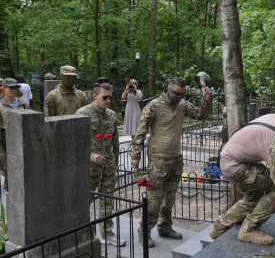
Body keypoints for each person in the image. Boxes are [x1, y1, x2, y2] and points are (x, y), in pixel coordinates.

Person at [208, 115, 275, 245]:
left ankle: (218, 228)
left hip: (229, 159)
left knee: (253, 199)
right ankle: (249, 230)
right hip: (235, 166)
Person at [130, 77, 211, 248]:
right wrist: (135, 154)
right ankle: (144, 231)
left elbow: (201, 115)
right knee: (154, 202)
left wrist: (205, 100)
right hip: (157, 161)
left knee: (169, 200)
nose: (179, 97)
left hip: (175, 160)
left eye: (182, 94)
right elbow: (141, 131)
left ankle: (165, 227)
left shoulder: (182, 105)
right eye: (176, 93)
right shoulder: (154, 105)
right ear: (168, 89)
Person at [77, 81, 125, 247]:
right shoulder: (82, 113)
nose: (108, 100)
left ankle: (107, 233)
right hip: (90, 166)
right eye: (105, 97)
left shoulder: (111, 114)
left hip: (108, 164)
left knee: (107, 199)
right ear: (95, 96)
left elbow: (116, 140)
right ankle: (79, 231)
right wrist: (91, 156)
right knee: (85, 199)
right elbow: (75, 142)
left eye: (110, 97)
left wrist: (116, 159)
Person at [0, 78, 29, 191]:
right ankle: (11, 189)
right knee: (8, 167)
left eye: (16, 88)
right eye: (11, 88)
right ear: (4, 89)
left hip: (22, 139)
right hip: (6, 139)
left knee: (22, 164)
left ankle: (20, 187)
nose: (14, 90)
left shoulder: (23, 103)